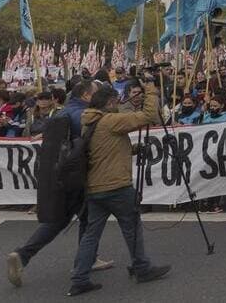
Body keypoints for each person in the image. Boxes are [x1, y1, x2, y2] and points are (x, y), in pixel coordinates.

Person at [5, 81, 113, 288]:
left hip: (58, 174)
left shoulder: (61, 113)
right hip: (78, 175)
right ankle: (86, 261)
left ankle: (22, 255)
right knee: (88, 218)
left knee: (59, 220)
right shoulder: (83, 114)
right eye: (96, 94)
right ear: (86, 96)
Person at [67, 81, 170, 296]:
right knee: (132, 227)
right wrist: (150, 91)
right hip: (117, 186)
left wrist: (132, 149)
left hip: (96, 187)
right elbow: (149, 116)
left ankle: (79, 277)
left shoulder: (91, 120)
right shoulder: (110, 120)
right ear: (110, 102)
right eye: (115, 101)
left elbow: (105, 149)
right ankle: (141, 267)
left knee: (91, 235)